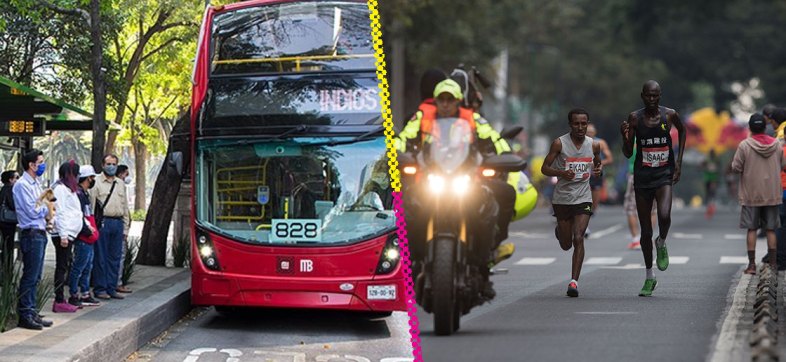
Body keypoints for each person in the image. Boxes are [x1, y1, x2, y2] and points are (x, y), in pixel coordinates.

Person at [399, 78, 513, 298]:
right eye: (441, 99)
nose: (445, 104)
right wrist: (395, 155)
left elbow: (495, 139)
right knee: (403, 203)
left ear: (458, 101)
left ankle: (492, 246)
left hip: (466, 177)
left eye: (450, 99)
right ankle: (406, 258)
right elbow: (403, 138)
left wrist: (504, 154)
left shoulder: (474, 119)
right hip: (430, 177)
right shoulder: (422, 117)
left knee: (503, 195)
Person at [621, 80, 686, 297]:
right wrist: (625, 136)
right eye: (648, 96)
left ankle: (662, 241)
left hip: (663, 175)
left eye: (655, 96)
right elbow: (628, 153)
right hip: (642, 178)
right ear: (642, 96)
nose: (652, 99)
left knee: (665, 216)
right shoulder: (635, 118)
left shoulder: (669, 115)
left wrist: (678, 163)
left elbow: (683, 131)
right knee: (645, 231)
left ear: (660, 96)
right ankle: (649, 276)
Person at [541, 108, 602, 297]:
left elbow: (598, 164)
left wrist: (598, 170)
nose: (580, 127)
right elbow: (544, 168)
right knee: (566, 243)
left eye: (584, 123)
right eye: (576, 123)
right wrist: (561, 173)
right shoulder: (559, 144)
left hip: (583, 197)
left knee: (578, 238)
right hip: (562, 199)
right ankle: (560, 232)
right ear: (570, 125)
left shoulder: (594, 145)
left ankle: (573, 282)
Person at [731, 114, 785, 274]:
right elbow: (783, 165)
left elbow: (736, 167)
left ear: (750, 128)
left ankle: (752, 265)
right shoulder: (776, 145)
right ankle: (774, 265)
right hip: (772, 194)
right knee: (770, 229)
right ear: (764, 128)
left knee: (752, 229)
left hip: (750, 195)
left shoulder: (745, 145)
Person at [13, 149, 53, 330]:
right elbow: (33, 210)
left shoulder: (36, 183)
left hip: (40, 232)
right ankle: (25, 313)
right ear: (31, 165)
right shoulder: (22, 185)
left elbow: (47, 203)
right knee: (30, 276)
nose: (43, 165)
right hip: (31, 232)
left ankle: (32, 310)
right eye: (41, 162)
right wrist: (46, 209)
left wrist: (47, 208)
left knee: (36, 276)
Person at [90, 154, 131, 300]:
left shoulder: (120, 183)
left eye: (114, 164)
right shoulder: (96, 183)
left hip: (117, 222)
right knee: (101, 257)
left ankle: (112, 287)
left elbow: (125, 206)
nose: (111, 167)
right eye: (108, 164)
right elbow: (92, 206)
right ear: (103, 165)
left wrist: (126, 228)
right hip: (103, 223)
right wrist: (93, 226)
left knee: (115, 257)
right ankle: (100, 288)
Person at [51, 161, 83, 312]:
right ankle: (58, 299)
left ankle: (60, 298)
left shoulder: (69, 190)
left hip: (69, 233)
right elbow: (60, 211)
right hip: (63, 234)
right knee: (61, 267)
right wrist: (63, 234)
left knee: (64, 265)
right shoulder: (60, 189)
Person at [69, 165, 101, 307]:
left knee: (88, 266)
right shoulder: (79, 195)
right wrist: (87, 230)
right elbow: (79, 215)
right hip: (83, 235)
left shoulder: (84, 194)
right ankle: (74, 293)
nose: (93, 180)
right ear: (87, 178)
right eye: (92, 178)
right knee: (79, 266)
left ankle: (85, 292)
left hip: (89, 234)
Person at [586, 124, 613, 237]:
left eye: (592, 132)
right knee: (584, 200)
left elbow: (609, 158)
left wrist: (598, 164)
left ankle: (587, 218)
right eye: (588, 132)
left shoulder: (600, 143)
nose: (590, 134)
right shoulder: (579, 142)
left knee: (595, 203)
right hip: (583, 176)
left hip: (596, 175)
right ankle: (584, 225)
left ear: (595, 132)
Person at [114, 164, 132, 294]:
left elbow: (125, 208)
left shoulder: (120, 185)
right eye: (126, 173)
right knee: (118, 255)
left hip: (119, 224)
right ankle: (116, 283)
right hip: (112, 224)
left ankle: (115, 283)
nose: (127, 177)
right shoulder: (118, 185)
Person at [0, 170, 18, 272]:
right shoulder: (11, 190)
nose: (17, 180)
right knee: (8, 247)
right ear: (10, 180)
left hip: (3, 221)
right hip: (8, 222)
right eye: (16, 178)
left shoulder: (3, 189)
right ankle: (7, 271)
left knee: (5, 246)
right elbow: (13, 205)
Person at [702, 150, 721, 220]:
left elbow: (719, 166)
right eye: (711, 153)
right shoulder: (707, 159)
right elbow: (702, 165)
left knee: (712, 190)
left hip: (714, 178)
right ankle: (708, 203)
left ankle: (712, 203)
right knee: (708, 191)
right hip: (707, 177)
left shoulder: (716, 159)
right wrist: (705, 166)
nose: (712, 154)